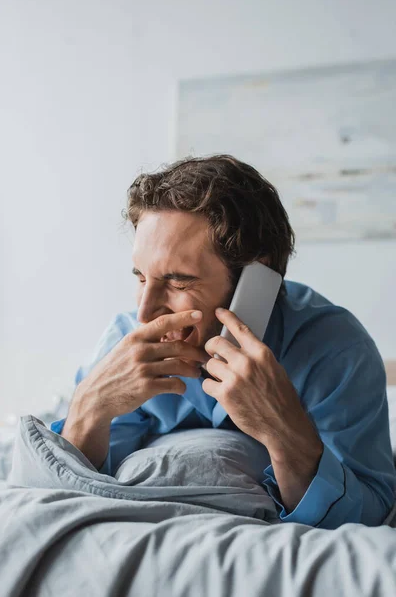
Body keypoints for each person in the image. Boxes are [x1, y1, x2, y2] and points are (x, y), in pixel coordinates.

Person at [51, 154, 396, 529]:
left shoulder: (337, 350)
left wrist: (284, 431)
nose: (145, 313)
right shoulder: (125, 341)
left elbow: (373, 515)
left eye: (178, 281)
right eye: (140, 277)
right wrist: (90, 407)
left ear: (257, 279)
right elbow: (66, 496)